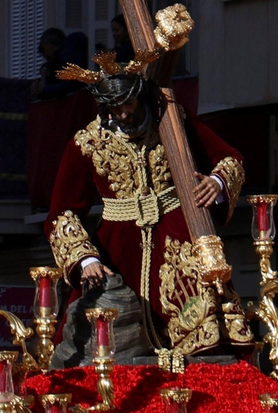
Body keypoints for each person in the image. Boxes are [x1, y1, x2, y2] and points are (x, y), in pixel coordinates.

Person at [46, 51, 251, 359]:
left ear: (139, 97)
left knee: (205, 315)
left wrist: (218, 182)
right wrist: (86, 260)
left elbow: (229, 158)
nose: (123, 114)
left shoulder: (172, 122)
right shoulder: (86, 142)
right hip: (117, 246)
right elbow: (61, 212)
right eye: (114, 108)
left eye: (127, 104)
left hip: (177, 235)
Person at [31, 27, 72, 99]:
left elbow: (66, 87)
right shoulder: (49, 67)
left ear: (50, 47)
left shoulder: (66, 61)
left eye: (45, 49)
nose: (46, 54)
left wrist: (44, 88)